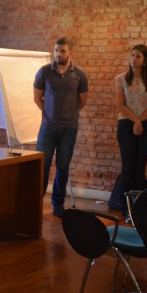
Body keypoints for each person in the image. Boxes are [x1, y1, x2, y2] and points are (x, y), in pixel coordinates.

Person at [33, 37, 89, 217]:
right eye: (56, 50)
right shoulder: (44, 72)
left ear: (70, 52)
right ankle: (35, 203)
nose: (59, 54)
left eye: (62, 51)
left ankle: (57, 204)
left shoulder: (79, 74)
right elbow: (37, 98)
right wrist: (48, 114)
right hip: (48, 128)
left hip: (69, 128)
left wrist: (68, 115)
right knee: (42, 165)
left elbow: (82, 101)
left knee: (63, 166)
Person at [115, 44, 147, 217]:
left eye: (138, 56)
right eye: (132, 55)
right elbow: (120, 104)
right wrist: (135, 120)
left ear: (145, 60)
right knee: (128, 166)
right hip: (126, 124)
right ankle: (126, 208)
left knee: (140, 166)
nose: (134, 59)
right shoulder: (121, 79)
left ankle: (138, 207)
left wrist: (141, 121)